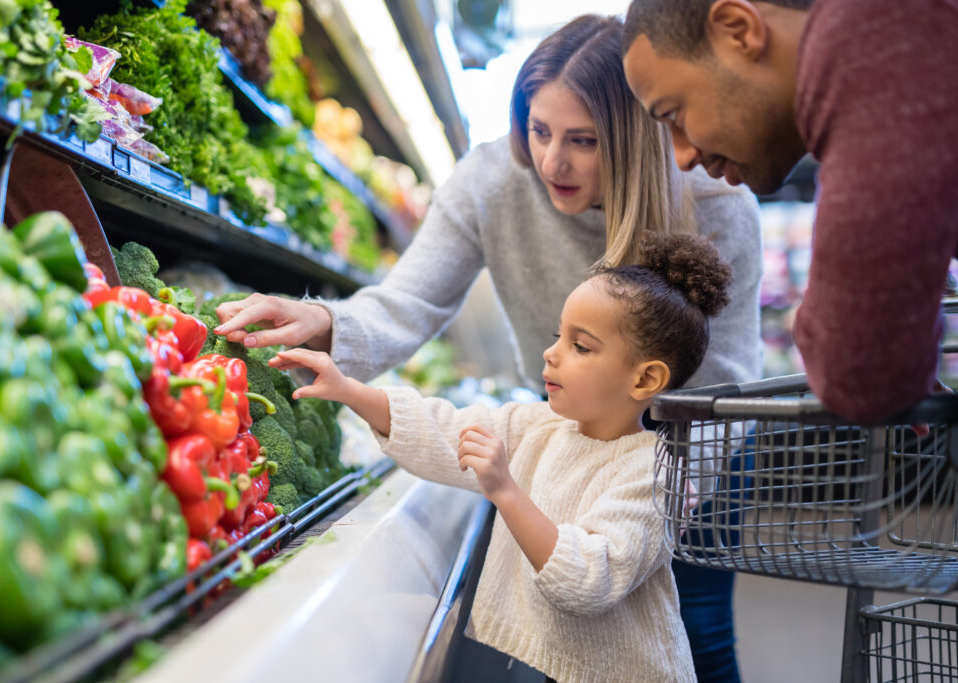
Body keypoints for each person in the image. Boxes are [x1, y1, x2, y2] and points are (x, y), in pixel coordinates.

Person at [215, 14, 763, 680]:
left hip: (690, 454)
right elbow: (408, 300)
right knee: (566, 640)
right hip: (567, 423)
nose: (552, 161)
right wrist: (322, 324)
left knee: (694, 636)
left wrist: (655, 494)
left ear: (631, 136)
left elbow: (727, 380)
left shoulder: (714, 200)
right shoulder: (493, 181)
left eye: (583, 140)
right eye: (538, 130)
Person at [269, 233, 731, 683]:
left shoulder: (652, 475)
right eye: (558, 335)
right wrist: (346, 388)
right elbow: (442, 429)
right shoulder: (540, 426)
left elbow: (587, 580)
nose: (550, 353)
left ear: (645, 379)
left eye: (580, 346)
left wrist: (506, 491)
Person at [620, 0, 958, 423]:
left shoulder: (875, 49)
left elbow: (860, 370)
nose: (682, 156)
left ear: (738, 30)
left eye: (674, 114)